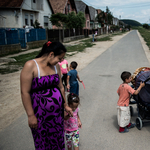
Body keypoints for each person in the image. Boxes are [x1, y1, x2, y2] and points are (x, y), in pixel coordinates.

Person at [20, 41, 73, 150]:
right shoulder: (31, 65)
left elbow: (61, 87)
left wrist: (65, 105)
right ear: (51, 54)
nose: (61, 61)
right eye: (60, 58)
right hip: (40, 116)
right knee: (43, 141)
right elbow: (25, 92)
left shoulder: (56, 67)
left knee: (58, 140)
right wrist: (30, 116)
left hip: (57, 114)